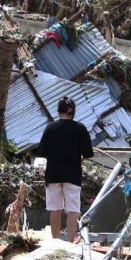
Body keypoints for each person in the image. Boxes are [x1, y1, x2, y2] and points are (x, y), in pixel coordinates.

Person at [38, 97, 93, 241]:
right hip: (73, 174)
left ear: (58, 111)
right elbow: (88, 153)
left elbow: (42, 152)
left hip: (53, 174)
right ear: (73, 111)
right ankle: (70, 242)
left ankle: (55, 241)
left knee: (55, 209)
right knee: (72, 210)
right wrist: (78, 159)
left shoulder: (50, 128)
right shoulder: (80, 128)